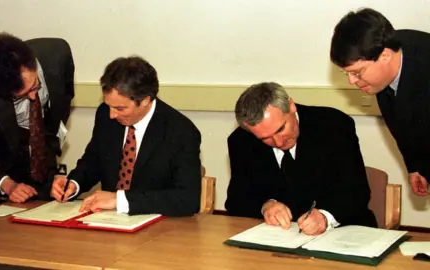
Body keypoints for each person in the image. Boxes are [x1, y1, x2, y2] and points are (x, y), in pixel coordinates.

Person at [50, 56, 202, 217]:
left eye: (120, 108)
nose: (112, 115)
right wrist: (73, 184)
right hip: (107, 221)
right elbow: (94, 161)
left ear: (145, 101)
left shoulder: (180, 131)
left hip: (158, 228)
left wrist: (119, 200)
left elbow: (187, 200)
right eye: (109, 106)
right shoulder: (105, 114)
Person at [225, 82, 377, 235]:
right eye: (265, 138)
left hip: (344, 232)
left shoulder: (333, 125)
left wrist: (325, 217)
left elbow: (357, 192)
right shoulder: (241, 141)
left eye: (281, 129)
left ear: (291, 106)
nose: (278, 142)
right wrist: (265, 206)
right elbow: (236, 200)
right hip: (281, 238)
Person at [0, 32, 74, 202]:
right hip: (1, 167)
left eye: (34, 86)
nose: (32, 97)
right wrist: (8, 185)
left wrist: (47, 143)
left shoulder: (58, 55)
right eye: (21, 95)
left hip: (41, 153)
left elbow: (64, 100)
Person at [330, 8, 430, 196]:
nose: (351, 81)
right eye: (347, 73)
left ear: (385, 56)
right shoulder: (382, 57)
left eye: (357, 72)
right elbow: (402, 123)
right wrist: (415, 166)